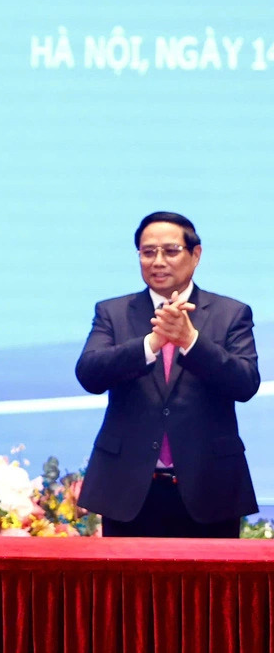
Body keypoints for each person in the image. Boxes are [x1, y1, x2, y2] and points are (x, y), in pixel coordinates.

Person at [75, 211, 260, 537]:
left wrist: (191, 341)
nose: (158, 261)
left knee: (210, 590)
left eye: (170, 251)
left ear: (195, 255)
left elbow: (245, 383)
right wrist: (151, 343)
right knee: (128, 590)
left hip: (210, 487)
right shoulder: (112, 312)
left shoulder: (231, 314)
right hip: (129, 489)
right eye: (148, 252)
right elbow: (90, 374)